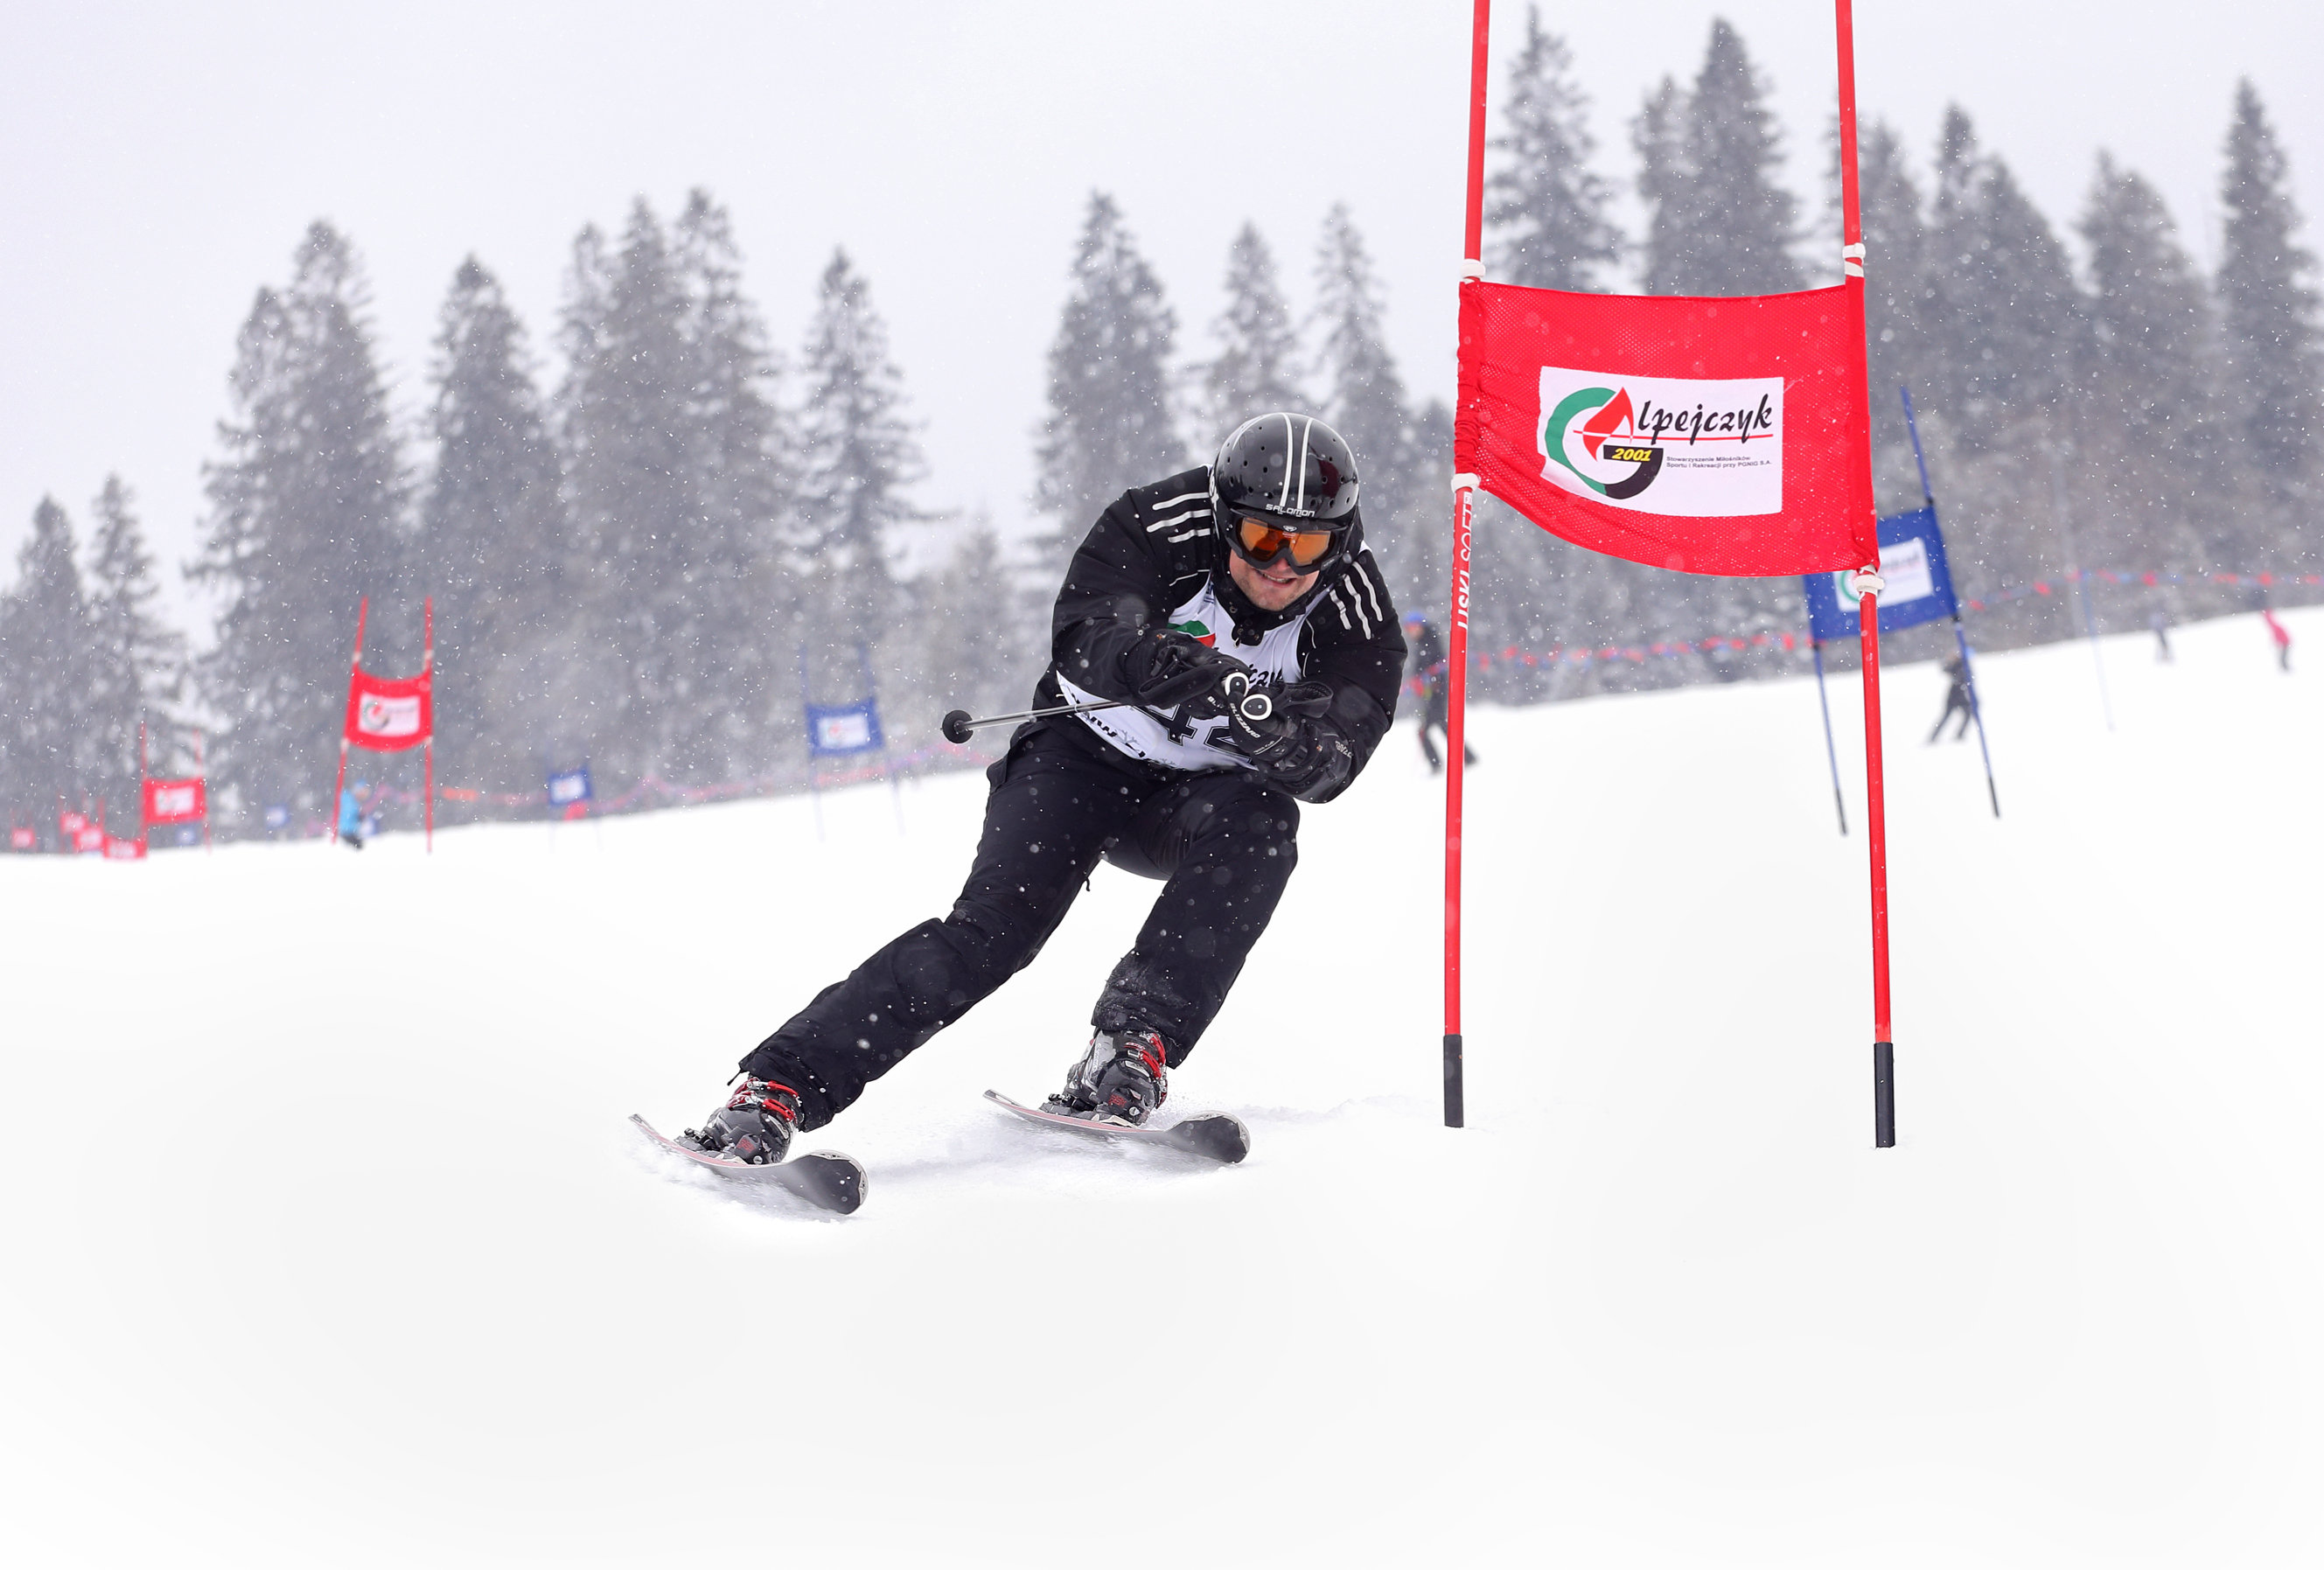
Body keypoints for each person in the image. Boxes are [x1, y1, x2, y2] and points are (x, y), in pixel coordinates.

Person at [687, 414, 1406, 1162]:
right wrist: (1173, 668)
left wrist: (1280, 740)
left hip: (1196, 798)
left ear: (1342, 541)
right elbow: (1088, 633)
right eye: (1262, 539)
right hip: (1079, 761)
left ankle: (1132, 1047)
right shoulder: (1158, 521)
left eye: (1311, 545)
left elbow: (1337, 759)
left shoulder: (1353, 607)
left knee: (1264, 823)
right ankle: (776, 1088)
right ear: (1226, 521)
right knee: (992, 935)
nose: (1284, 567)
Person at [1405, 611, 1477, 774]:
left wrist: (1426, 680)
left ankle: (1438, 764)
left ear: (1420, 626)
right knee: (1443, 726)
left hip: (1436, 692)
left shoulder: (1429, 641)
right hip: (1433, 692)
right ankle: (1467, 757)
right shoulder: (1424, 641)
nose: (1410, 632)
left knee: (1426, 730)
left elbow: (1435, 667)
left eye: (1412, 627)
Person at [1927, 655, 1974, 743]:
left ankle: (1959, 734)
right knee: (1946, 717)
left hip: (1961, 696)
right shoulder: (1957, 666)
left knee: (1967, 714)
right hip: (1954, 696)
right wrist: (1949, 661)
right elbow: (1946, 670)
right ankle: (1933, 737)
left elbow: (1969, 680)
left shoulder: (1965, 666)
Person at [337, 780, 370, 850]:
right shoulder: (349, 800)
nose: (364, 795)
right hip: (346, 833)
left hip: (350, 833)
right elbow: (347, 817)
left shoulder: (353, 801)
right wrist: (359, 818)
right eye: (363, 792)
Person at [2262, 606, 2293, 673]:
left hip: (2285, 643)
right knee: (2283, 657)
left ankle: (2285, 669)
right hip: (2285, 642)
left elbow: (2277, 636)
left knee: (2283, 657)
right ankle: (2284, 668)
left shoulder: (2274, 626)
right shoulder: (2274, 625)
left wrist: (2277, 642)